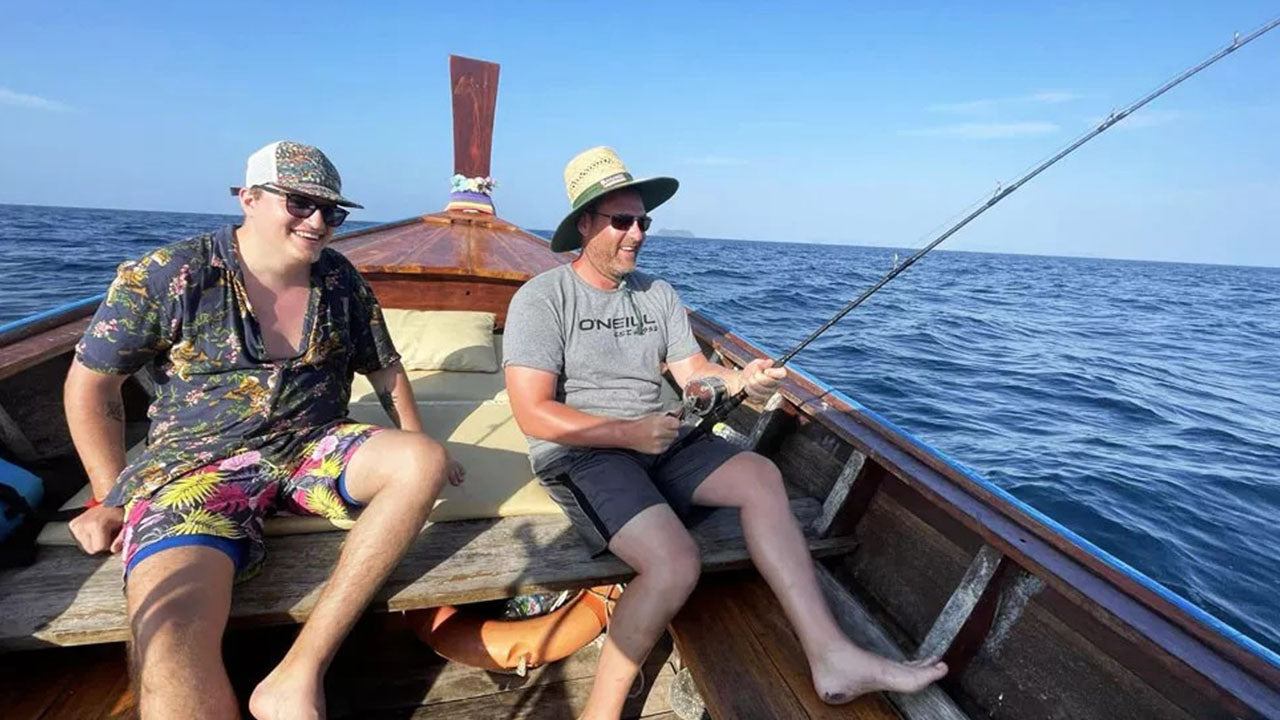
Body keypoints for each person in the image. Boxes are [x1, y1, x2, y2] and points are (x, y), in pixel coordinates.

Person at [503, 147, 948, 719]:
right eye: (622, 221)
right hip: (586, 453)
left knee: (761, 475)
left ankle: (832, 656)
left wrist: (742, 380)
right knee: (675, 563)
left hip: (662, 439)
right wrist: (626, 433)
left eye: (644, 222)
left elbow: (693, 374)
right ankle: (602, 711)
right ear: (584, 224)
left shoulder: (658, 294)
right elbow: (533, 413)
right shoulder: (542, 298)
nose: (636, 234)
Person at [64, 141, 462, 720]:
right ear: (249, 198)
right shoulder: (172, 273)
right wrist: (108, 495)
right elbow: (91, 386)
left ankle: (299, 671)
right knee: (171, 633)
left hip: (311, 446)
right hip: (196, 470)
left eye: (332, 210)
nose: (318, 221)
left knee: (421, 461)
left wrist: (421, 436)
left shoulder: (339, 278)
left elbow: (384, 368)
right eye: (300, 203)